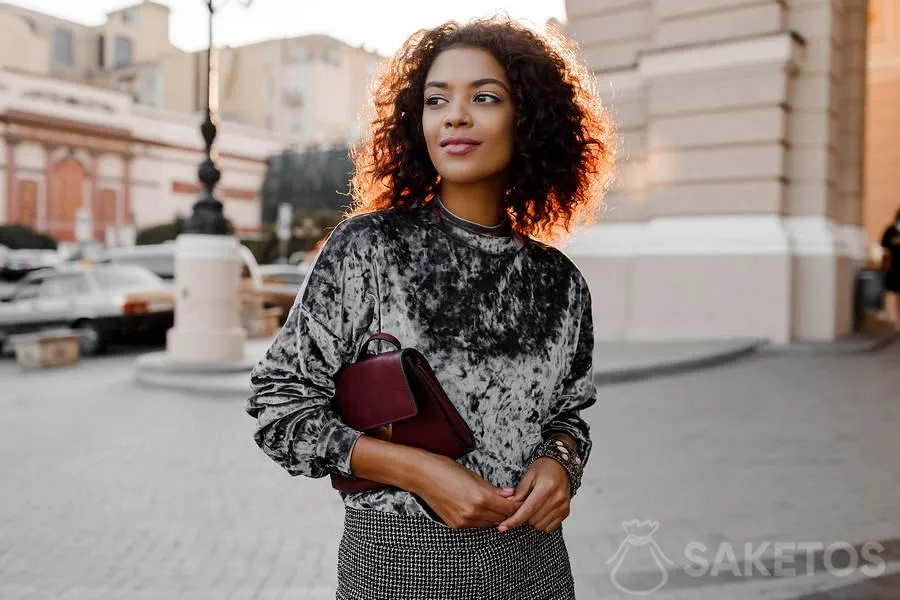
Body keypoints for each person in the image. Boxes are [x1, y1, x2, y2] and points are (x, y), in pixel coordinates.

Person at [246, 16, 616, 600]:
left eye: (485, 97)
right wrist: (418, 471)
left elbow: (567, 419)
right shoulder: (369, 248)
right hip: (398, 566)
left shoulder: (560, 282)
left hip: (535, 569)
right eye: (436, 99)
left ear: (531, 119)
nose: (455, 115)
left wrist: (560, 466)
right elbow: (278, 409)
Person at [880, 208, 900, 324]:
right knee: (890, 290)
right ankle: (889, 315)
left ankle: (898, 319)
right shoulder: (891, 229)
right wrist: (894, 242)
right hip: (893, 265)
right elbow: (883, 243)